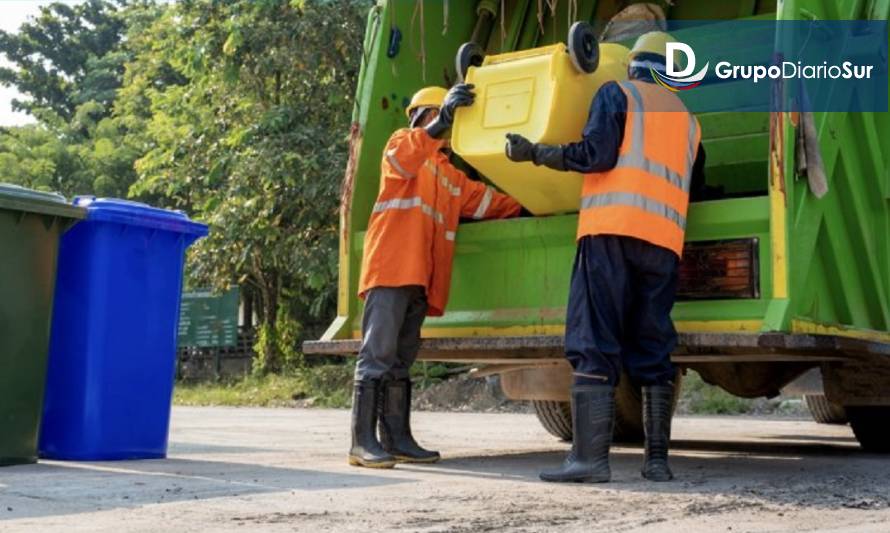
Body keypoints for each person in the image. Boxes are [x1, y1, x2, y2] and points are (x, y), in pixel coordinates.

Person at [505, 31, 706, 483]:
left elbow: (595, 155)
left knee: (594, 340)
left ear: (633, 66)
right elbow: (696, 187)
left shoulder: (618, 94)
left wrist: (535, 153)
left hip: (611, 232)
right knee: (653, 346)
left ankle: (590, 461)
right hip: (662, 244)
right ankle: (657, 462)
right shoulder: (690, 122)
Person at [350, 83, 523, 468]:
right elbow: (403, 159)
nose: (446, 125)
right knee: (377, 355)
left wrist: (531, 203)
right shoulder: (402, 144)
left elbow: (486, 201)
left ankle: (396, 438)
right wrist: (439, 122)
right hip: (391, 268)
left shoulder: (448, 174)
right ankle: (361, 443)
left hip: (419, 278)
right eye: (442, 116)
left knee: (400, 359)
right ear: (426, 116)